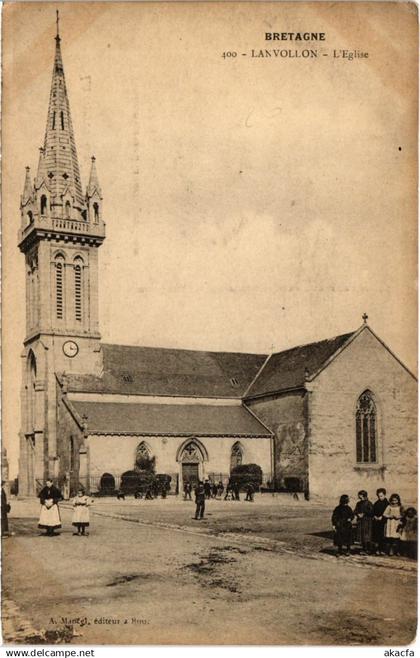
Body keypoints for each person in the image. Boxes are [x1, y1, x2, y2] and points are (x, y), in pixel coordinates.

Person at [354, 490, 374, 554]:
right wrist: (358, 514)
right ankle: (364, 549)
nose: (359, 496)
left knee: (367, 535)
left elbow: (372, 512)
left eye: (359, 495)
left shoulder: (369, 503)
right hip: (360, 522)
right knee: (361, 535)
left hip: (367, 522)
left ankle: (368, 549)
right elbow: (355, 511)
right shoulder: (358, 503)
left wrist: (364, 514)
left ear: (363, 495)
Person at [372, 488, 389, 555]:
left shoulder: (387, 503)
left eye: (381, 496)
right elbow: (373, 511)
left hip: (384, 521)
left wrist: (382, 517)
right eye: (378, 496)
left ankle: (383, 550)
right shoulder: (376, 503)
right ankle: (377, 549)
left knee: (383, 536)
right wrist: (375, 516)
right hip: (377, 522)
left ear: (384, 495)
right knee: (377, 536)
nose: (380, 497)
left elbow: (387, 512)